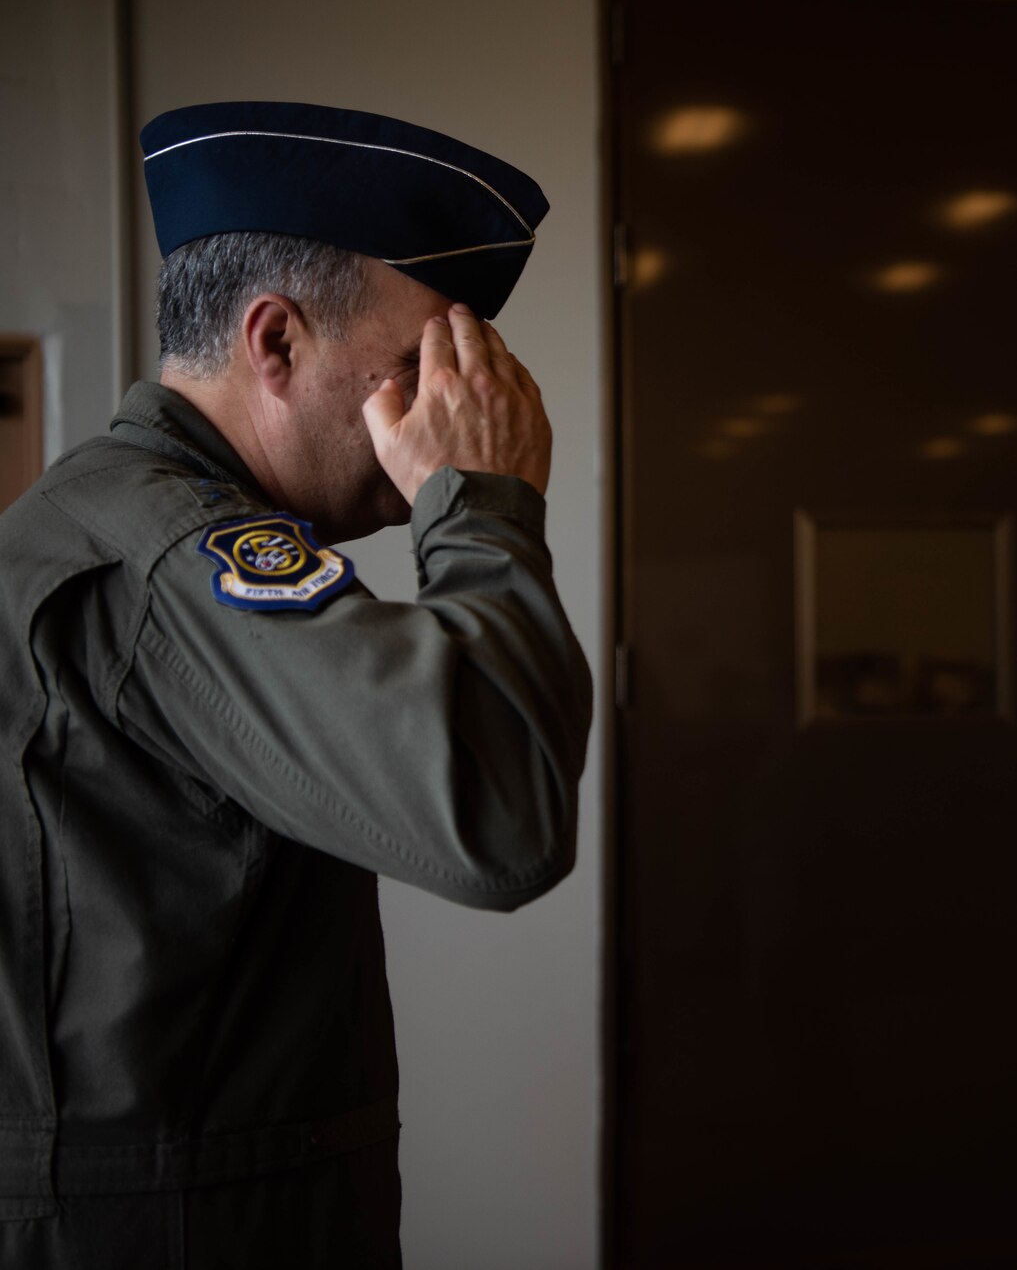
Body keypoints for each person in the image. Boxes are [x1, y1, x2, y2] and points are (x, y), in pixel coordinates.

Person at [0, 101, 592, 1266]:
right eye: (427, 360)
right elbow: (499, 815)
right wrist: (480, 507)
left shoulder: (118, 515)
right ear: (274, 342)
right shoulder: (180, 554)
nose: (457, 404)